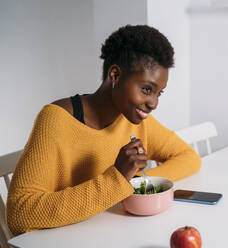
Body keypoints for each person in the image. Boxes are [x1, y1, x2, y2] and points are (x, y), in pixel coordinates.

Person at [6, 25, 201, 236]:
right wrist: (116, 179)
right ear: (115, 74)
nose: (153, 103)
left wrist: (132, 183)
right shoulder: (56, 120)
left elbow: (189, 157)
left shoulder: (136, 120)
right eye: (147, 89)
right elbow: (19, 214)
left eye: (159, 93)